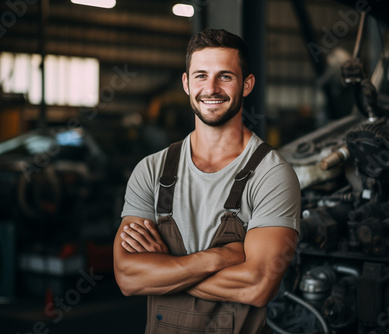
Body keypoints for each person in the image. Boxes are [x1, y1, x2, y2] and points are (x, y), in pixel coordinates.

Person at [113, 28, 301, 334]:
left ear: (247, 84)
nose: (211, 88)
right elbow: (128, 278)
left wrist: (165, 268)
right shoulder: (151, 170)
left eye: (225, 76)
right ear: (186, 83)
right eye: (200, 75)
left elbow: (257, 285)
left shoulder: (271, 175)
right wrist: (221, 257)